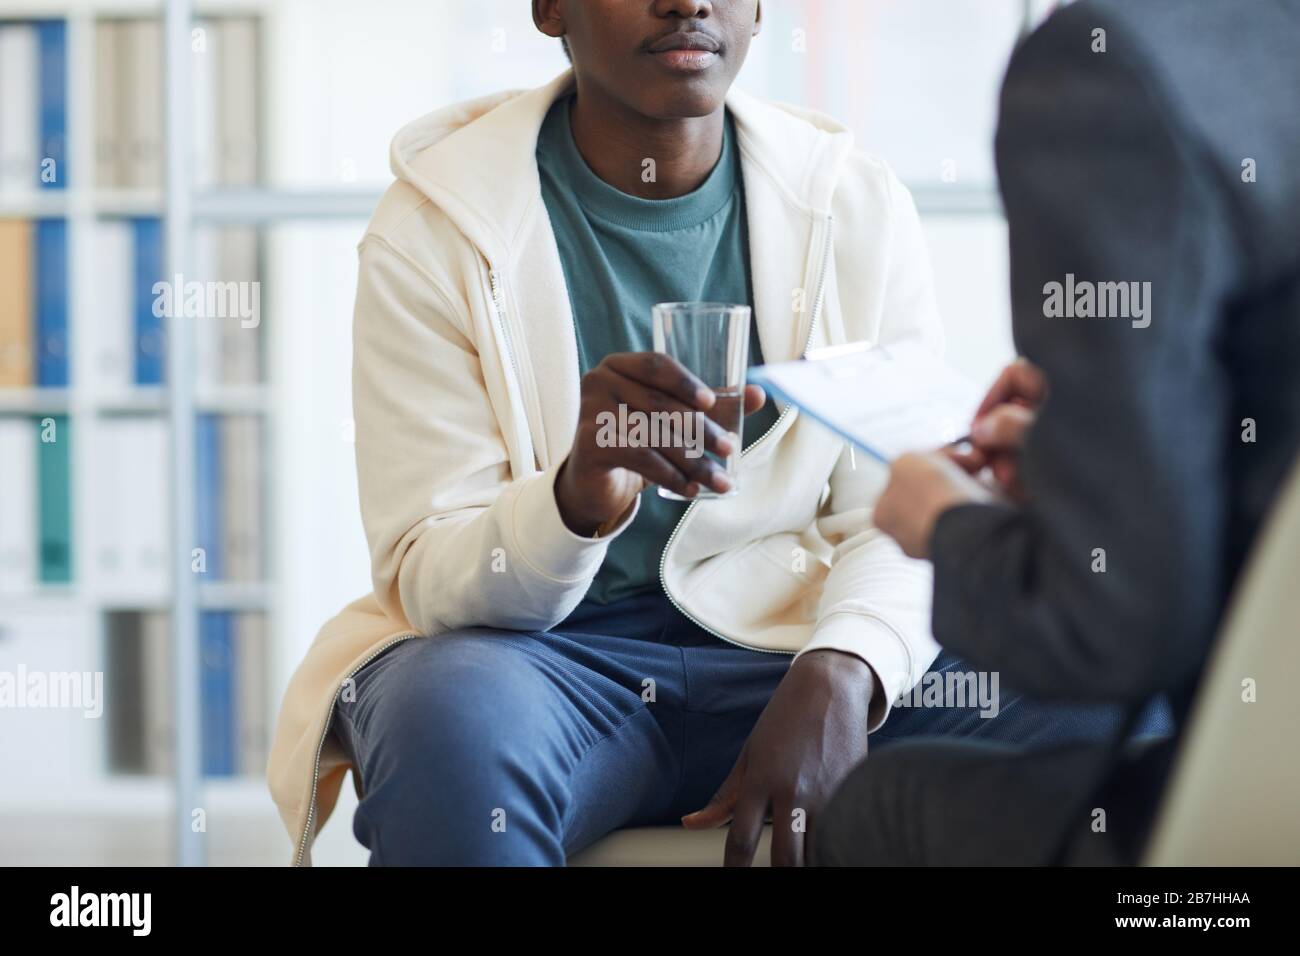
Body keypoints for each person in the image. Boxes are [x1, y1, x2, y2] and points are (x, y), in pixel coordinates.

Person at [268, 0, 1159, 867]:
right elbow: (430, 574)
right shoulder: (435, 228)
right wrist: (576, 498)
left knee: (1110, 705)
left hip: (790, 637)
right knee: (442, 724)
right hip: (549, 667)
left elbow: (896, 507)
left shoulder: (852, 202)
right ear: (549, 10)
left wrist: (846, 664)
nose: (686, 3)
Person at [812, 0, 1300, 866]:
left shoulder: (1104, 70)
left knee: (876, 808)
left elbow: (1117, 628)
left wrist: (947, 525)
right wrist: (1095, 435)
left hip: (1257, 812)